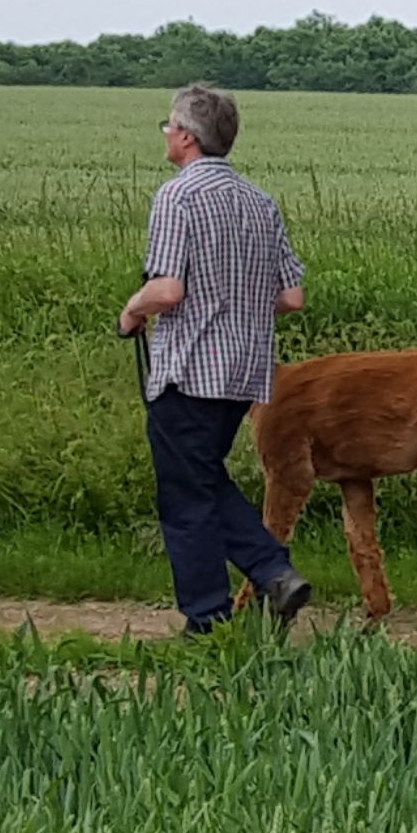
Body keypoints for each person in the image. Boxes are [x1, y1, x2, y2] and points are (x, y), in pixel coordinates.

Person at [120, 83, 315, 640]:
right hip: (245, 372)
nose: (166, 135)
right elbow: (292, 296)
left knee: (184, 494)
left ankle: (212, 615)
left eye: (167, 126)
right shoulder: (260, 201)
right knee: (201, 476)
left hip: (190, 366)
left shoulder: (178, 196)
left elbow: (167, 290)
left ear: (184, 136)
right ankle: (272, 575)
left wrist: (132, 313)